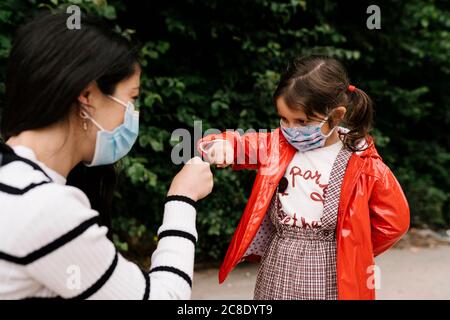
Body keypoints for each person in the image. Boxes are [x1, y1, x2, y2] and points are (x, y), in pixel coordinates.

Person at [0, 11, 213, 299]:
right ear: (87, 96)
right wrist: (182, 198)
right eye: (132, 98)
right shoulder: (45, 209)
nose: (132, 114)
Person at [197, 55, 410, 300]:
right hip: (279, 259)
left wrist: (353, 246)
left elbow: (394, 221)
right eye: (284, 119)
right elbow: (227, 143)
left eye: (302, 121)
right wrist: (222, 146)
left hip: (330, 266)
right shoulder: (277, 145)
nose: (291, 129)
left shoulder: (363, 163)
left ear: (336, 116)